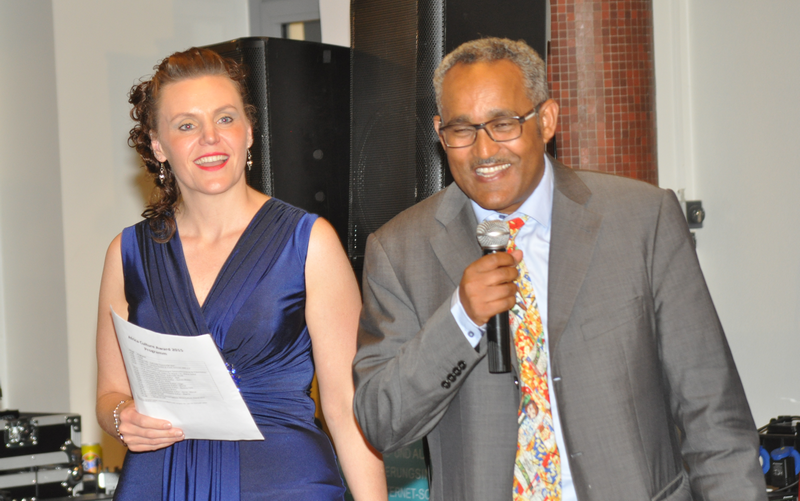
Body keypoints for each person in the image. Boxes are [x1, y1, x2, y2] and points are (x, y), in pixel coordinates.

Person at [353, 37, 766, 501]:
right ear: (439, 132)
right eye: (462, 129)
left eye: (503, 124)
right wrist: (461, 320)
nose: (483, 150)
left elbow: (713, 414)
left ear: (546, 120)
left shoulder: (641, 219)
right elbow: (381, 421)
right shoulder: (399, 250)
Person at [95, 47, 387, 500]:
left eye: (225, 118)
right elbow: (110, 394)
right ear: (158, 145)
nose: (210, 138)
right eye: (187, 125)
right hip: (159, 483)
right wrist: (122, 418)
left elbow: (346, 405)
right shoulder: (128, 253)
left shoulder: (308, 242)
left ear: (249, 131)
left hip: (283, 484)